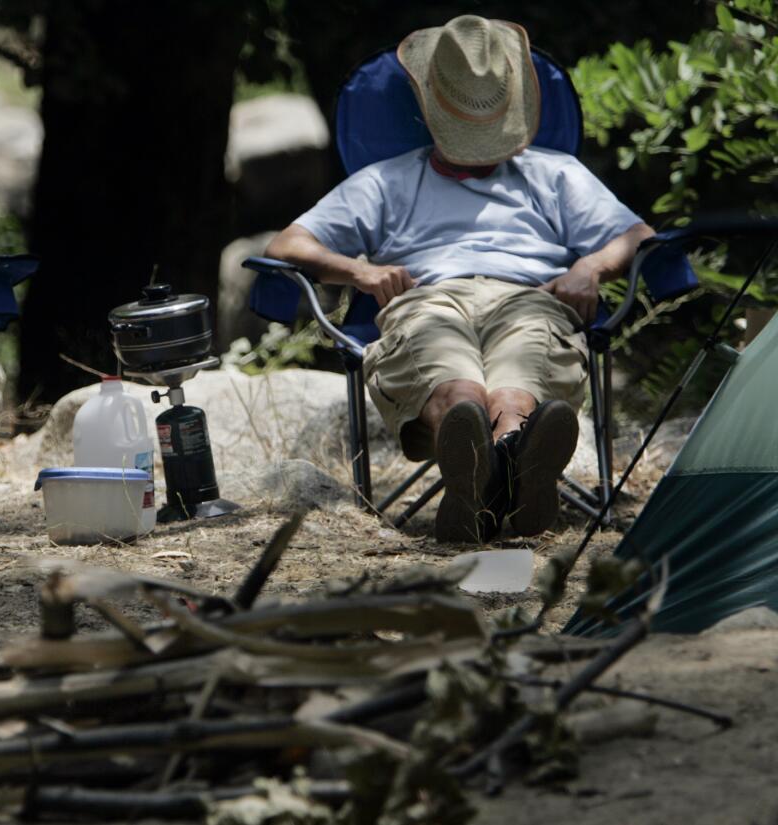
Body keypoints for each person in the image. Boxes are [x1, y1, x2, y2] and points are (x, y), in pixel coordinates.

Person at [265, 15, 654, 542]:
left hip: (530, 298)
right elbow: (287, 244)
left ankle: (485, 487)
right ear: (429, 113)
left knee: (516, 389)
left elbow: (637, 235)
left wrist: (590, 267)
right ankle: (508, 484)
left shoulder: (555, 172)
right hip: (426, 299)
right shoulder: (385, 181)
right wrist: (359, 270)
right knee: (460, 391)